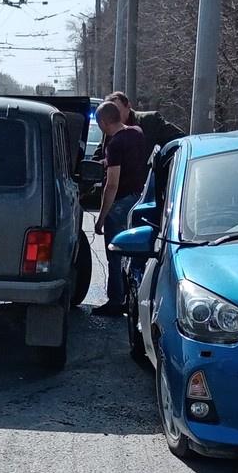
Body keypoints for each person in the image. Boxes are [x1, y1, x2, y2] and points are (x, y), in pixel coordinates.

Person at [92, 101, 150, 317]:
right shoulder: (136, 133)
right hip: (137, 200)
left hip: (120, 202)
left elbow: (112, 184)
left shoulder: (114, 144)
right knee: (133, 253)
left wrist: (102, 216)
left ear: (104, 122)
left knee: (114, 254)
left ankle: (116, 301)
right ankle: (134, 298)